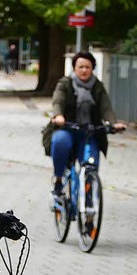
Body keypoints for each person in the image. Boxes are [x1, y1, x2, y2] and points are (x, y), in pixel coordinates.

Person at [50, 51, 125, 195]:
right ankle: (58, 179)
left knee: (91, 165)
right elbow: (58, 101)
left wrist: (113, 123)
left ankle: (90, 206)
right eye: (81, 67)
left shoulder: (97, 86)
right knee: (59, 142)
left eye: (88, 67)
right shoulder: (65, 84)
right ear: (74, 68)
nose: (84, 70)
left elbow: (106, 107)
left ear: (92, 69)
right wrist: (58, 116)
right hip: (68, 128)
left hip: (89, 132)